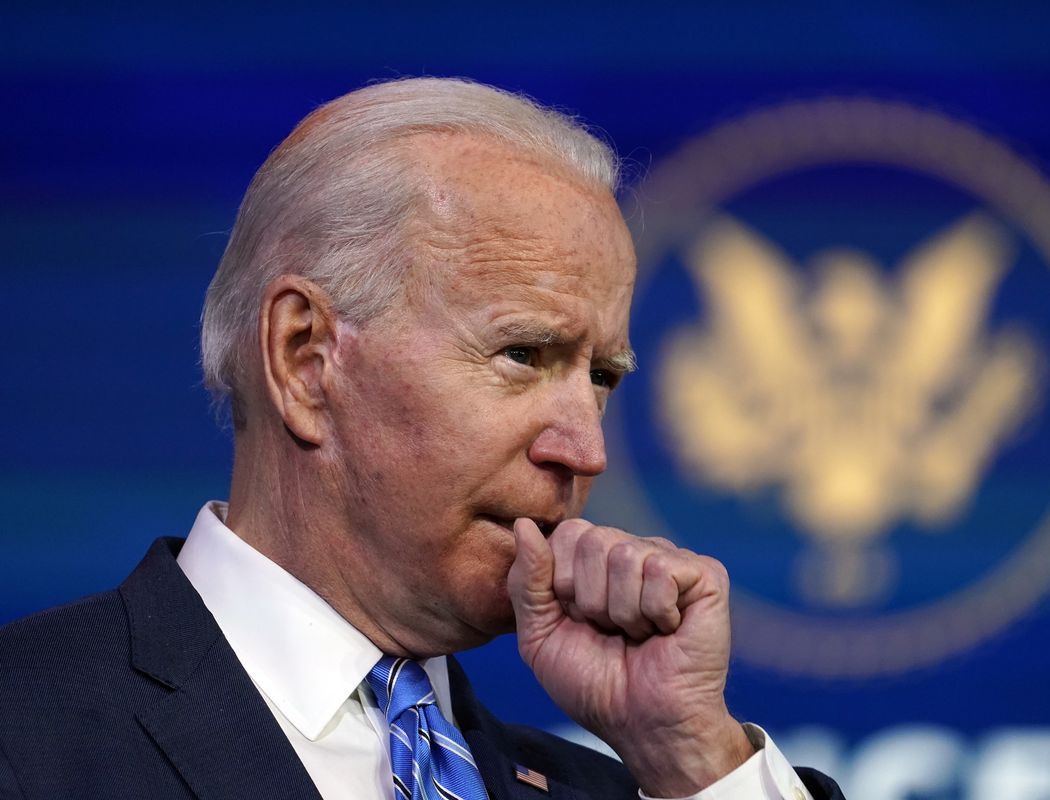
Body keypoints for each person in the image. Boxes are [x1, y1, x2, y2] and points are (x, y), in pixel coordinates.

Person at [0, 77, 843, 800]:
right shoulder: (26, 732)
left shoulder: (626, 787)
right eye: (523, 354)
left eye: (600, 378)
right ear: (306, 360)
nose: (587, 452)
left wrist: (693, 759)